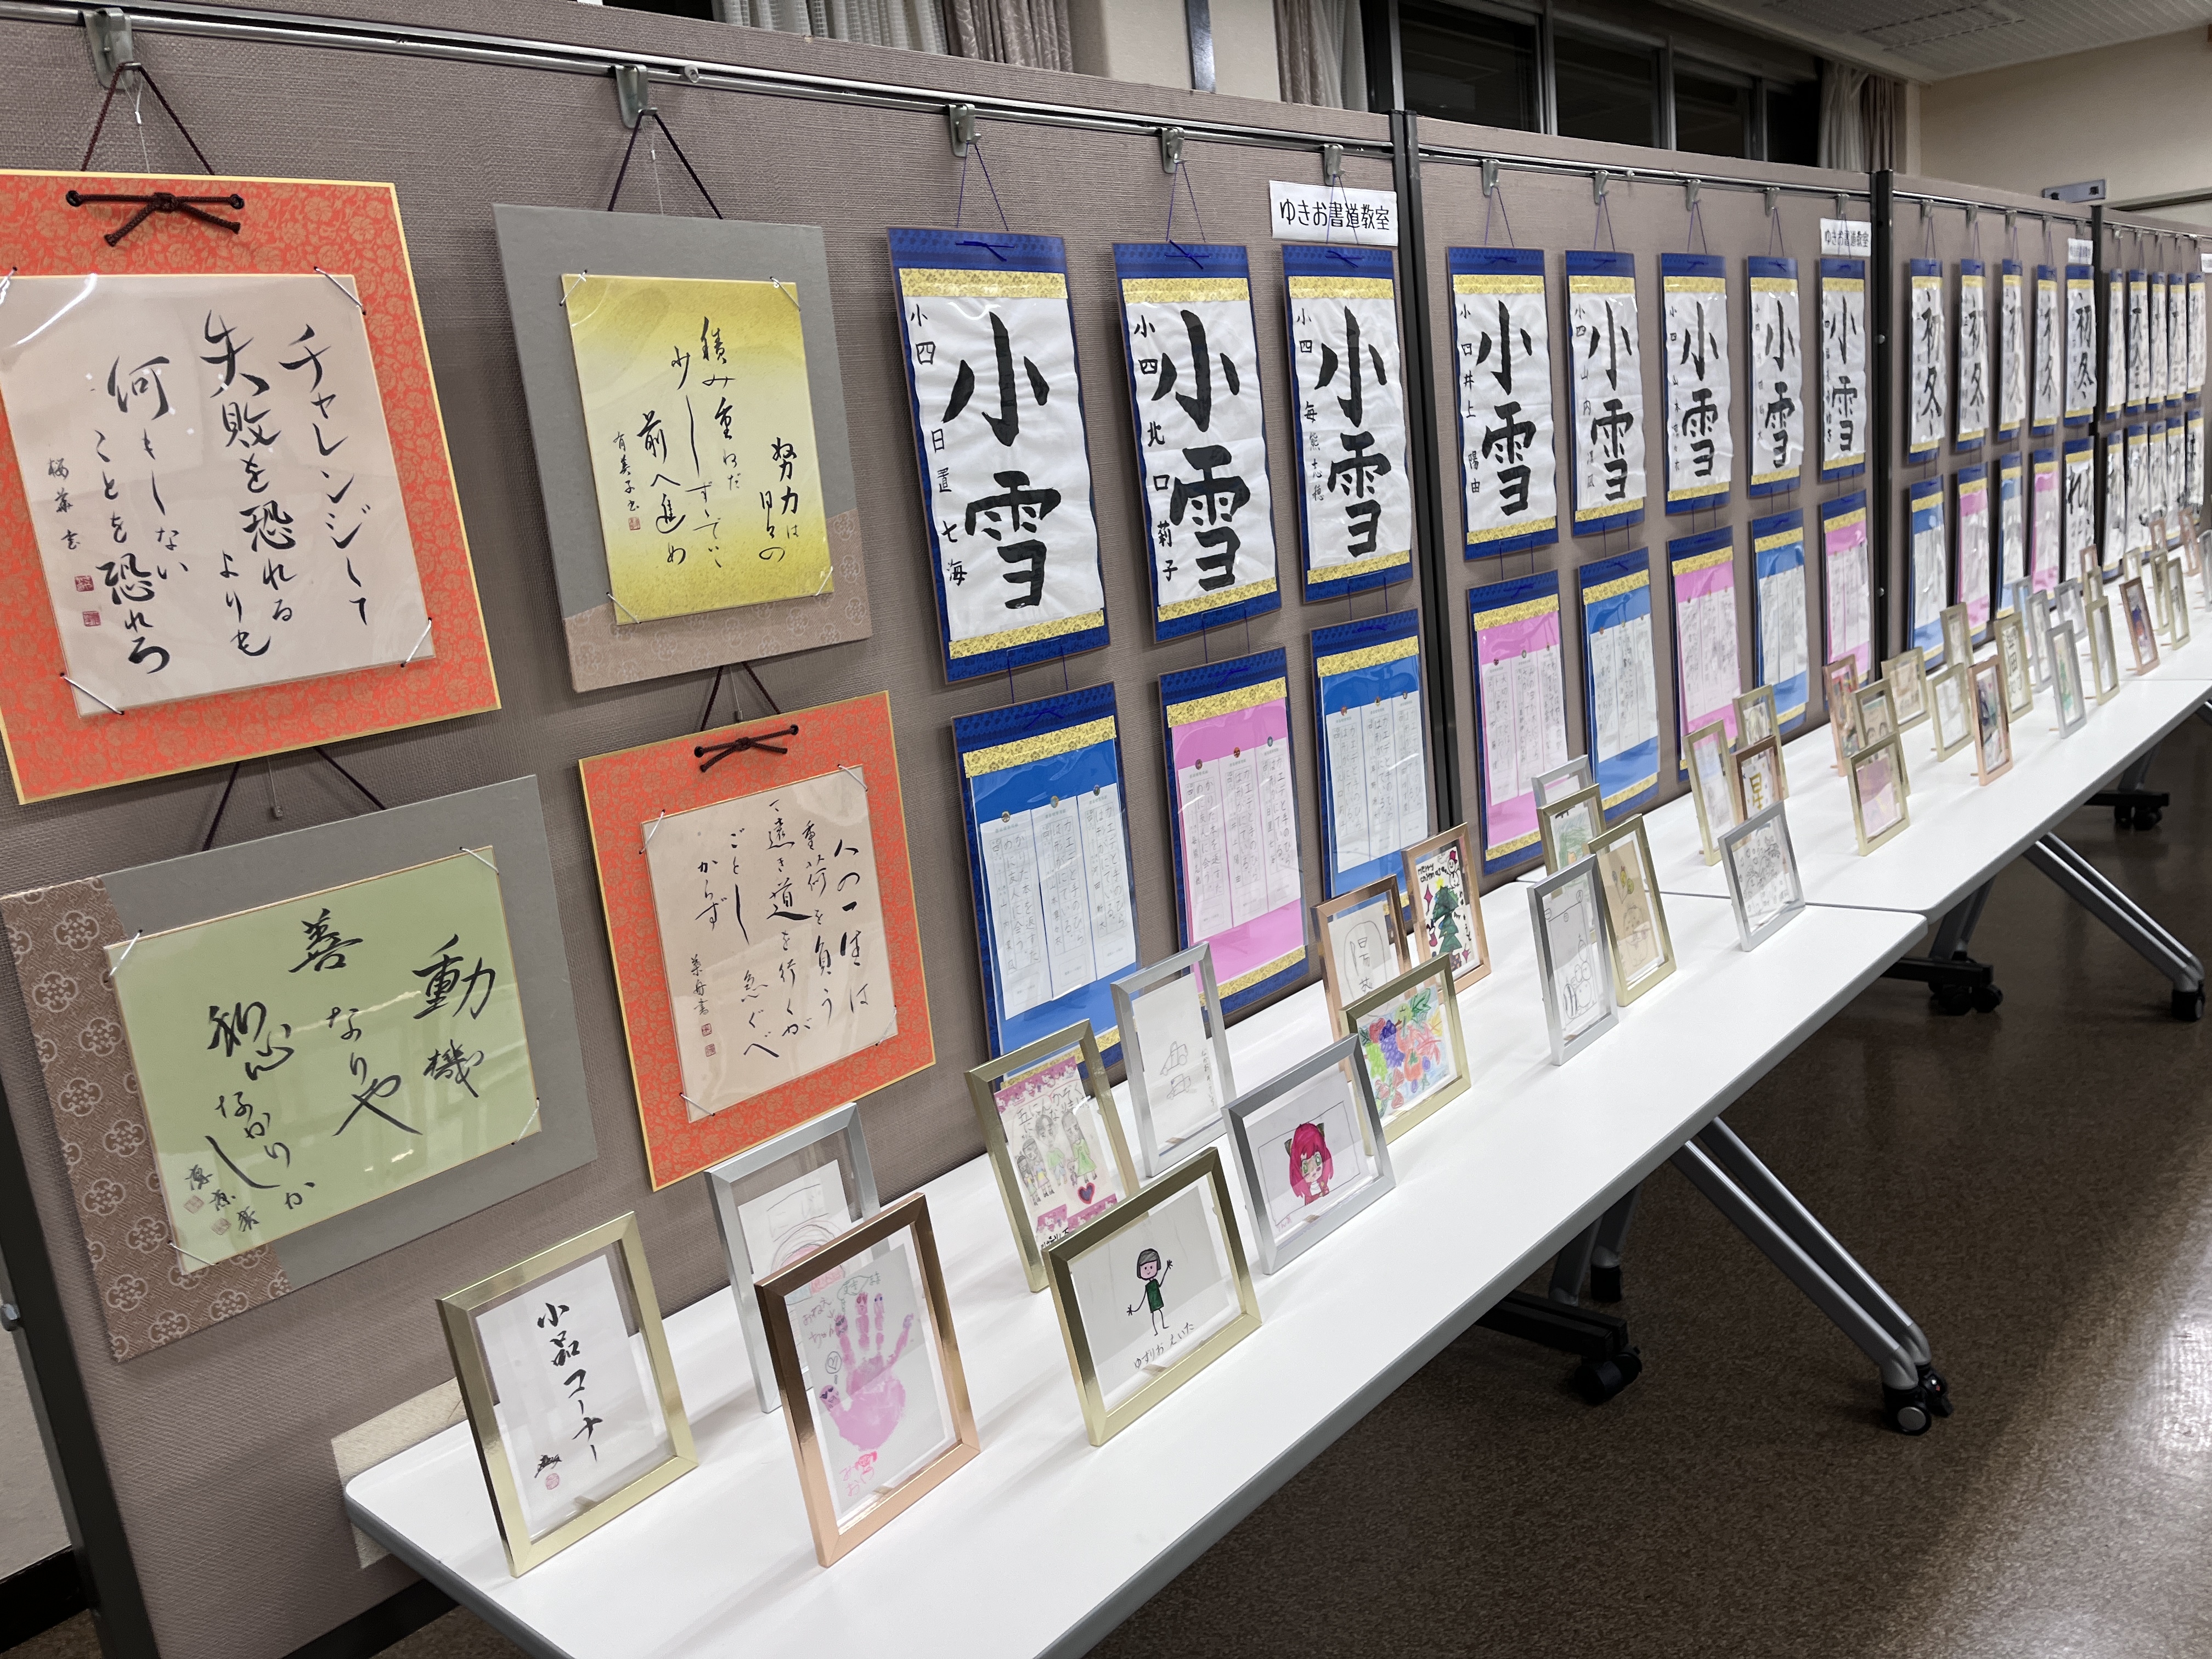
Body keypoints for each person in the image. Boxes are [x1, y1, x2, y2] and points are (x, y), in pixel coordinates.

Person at [1126, 1246, 1173, 1333]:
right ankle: (1156, 1330)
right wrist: (1135, 1310)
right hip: (1153, 1302)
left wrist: (1167, 1269)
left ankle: (1163, 1326)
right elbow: (1144, 1298)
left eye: (1151, 1267)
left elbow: (1160, 1285)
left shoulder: (1155, 1282)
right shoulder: (1148, 1286)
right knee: (1155, 1314)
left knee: (1160, 1312)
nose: (1148, 1271)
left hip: (1157, 1300)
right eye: (1145, 1268)